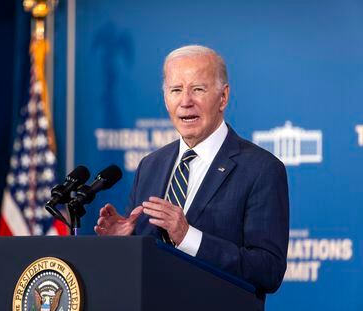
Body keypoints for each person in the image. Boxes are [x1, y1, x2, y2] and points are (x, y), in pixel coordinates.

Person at [94, 45, 289, 303]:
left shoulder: (261, 169)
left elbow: (268, 271)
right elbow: (146, 263)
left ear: (223, 97)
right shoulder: (150, 165)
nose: (186, 101)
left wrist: (189, 237)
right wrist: (124, 244)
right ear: (166, 99)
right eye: (176, 90)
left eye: (198, 89)